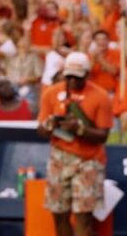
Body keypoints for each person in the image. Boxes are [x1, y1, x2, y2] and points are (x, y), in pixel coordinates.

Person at [38, 52, 113, 236]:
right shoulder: (51, 93)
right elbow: (40, 129)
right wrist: (50, 126)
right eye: (68, 76)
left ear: (87, 75)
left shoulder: (100, 96)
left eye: (77, 77)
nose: (72, 81)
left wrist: (79, 129)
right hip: (59, 155)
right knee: (59, 212)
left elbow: (103, 135)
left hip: (89, 159)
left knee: (83, 215)